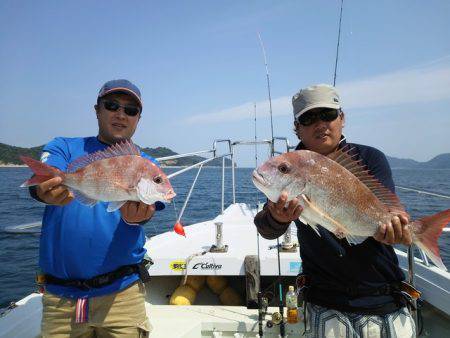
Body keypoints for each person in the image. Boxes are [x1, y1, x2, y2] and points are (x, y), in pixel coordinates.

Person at [254, 84, 416, 337]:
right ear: (297, 128)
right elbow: (265, 226)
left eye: (328, 115)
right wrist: (276, 217)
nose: (320, 124)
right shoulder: (290, 164)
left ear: (342, 118)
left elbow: (392, 216)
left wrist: (399, 230)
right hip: (325, 303)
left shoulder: (369, 158)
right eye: (308, 118)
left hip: (383, 297)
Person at [29, 79, 162, 337]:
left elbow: (149, 206)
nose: (121, 114)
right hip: (60, 299)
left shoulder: (146, 164)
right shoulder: (64, 147)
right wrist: (44, 191)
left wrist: (138, 218)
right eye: (112, 105)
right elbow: (43, 182)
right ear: (97, 110)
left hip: (122, 296)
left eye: (131, 110)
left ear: (138, 118)